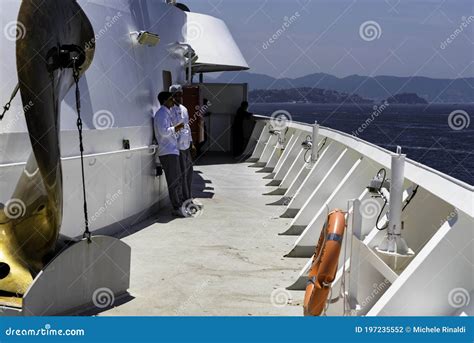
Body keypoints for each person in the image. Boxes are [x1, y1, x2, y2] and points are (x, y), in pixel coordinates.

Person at [154, 91, 187, 218]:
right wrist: (176, 128)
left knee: (176, 179)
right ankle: (176, 207)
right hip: (167, 151)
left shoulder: (166, 113)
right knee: (173, 181)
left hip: (172, 150)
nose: (173, 100)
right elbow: (163, 132)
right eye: (171, 99)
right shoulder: (162, 114)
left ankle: (178, 205)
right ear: (165, 101)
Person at [169, 85, 202, 212]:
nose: (179, 97)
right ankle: (182, 200)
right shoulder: (169, 110)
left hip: (186, 146)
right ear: (171, 96)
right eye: (176, 95)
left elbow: (187, 127)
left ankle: (188, 197)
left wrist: (192, 144)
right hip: (177, 148)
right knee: (180, 175)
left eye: (180, 94)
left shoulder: (184, 109)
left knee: (188, 174)